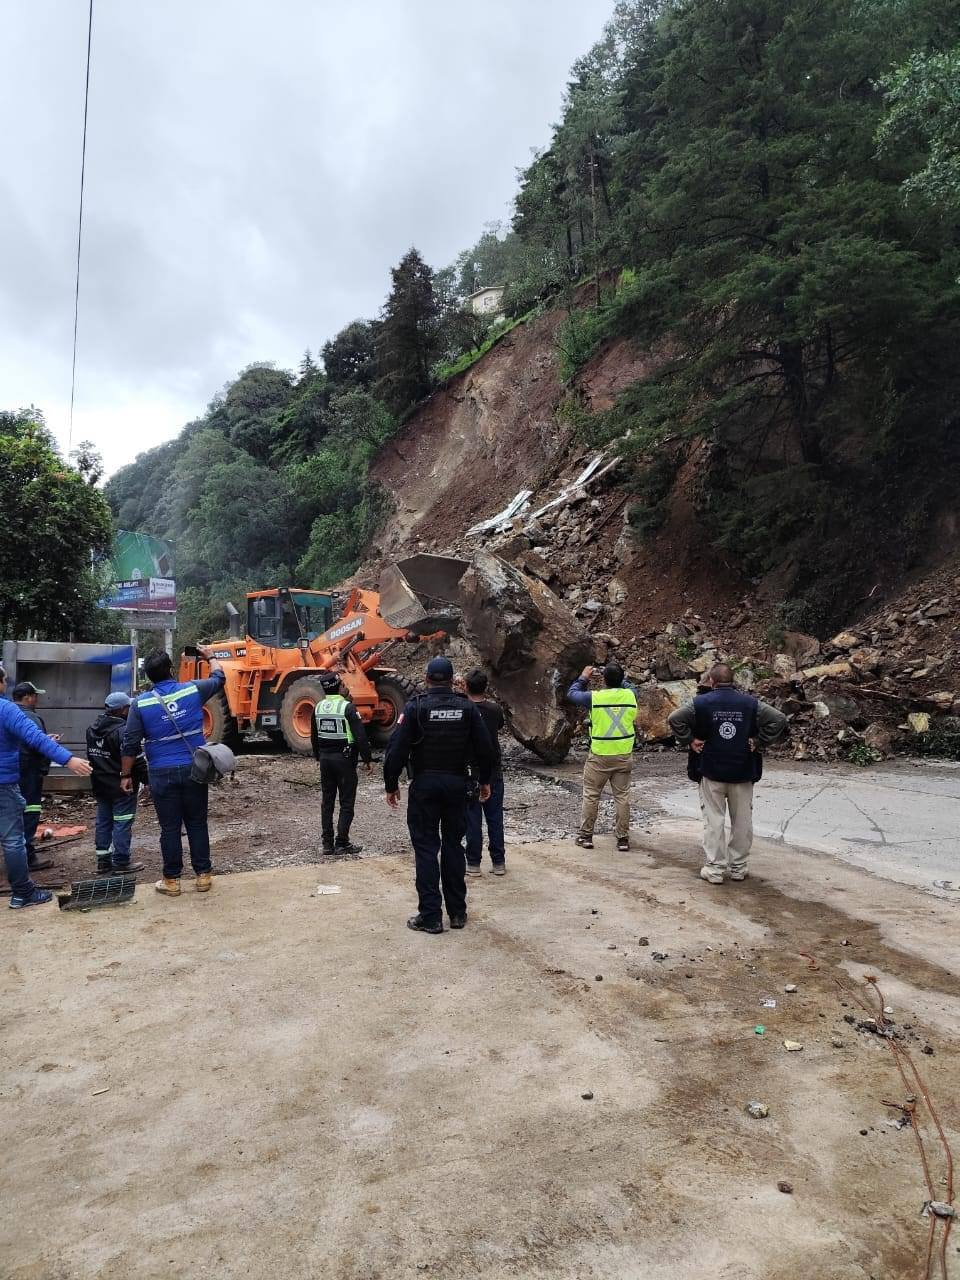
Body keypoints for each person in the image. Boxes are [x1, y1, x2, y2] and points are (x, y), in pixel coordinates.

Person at [383, 656, 493, 934]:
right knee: (454, 846)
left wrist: (391, 784)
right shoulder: (467, 708)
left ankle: (431, 916)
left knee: (426, 850)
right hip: (458, 785)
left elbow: (396, 750)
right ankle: (457, 913)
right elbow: (485, 748)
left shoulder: (416, 708)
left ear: (427, 677)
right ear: (452, 678)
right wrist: (485, 780)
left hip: (425, 786)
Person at [668, 662, 787, 883]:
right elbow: (779, 719)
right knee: (742, 822)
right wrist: (759, 741)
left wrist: (690, 740)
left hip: (711, 770)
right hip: (743, 770)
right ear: (734, 681)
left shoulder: (700, 703)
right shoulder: (751, 704)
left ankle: (714, 870)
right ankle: (738, 868)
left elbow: (675, 718)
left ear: (711, 681)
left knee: (714, 821)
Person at [121, 648, 226, 897]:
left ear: (149, 677)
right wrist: (210, 657)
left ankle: (172, 881)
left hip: (161, 773)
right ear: (171, 669)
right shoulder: (193, 690)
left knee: (169, 828)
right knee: (197, 823)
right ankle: (203, 876)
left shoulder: (140, 704)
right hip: (194, 769)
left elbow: (130, 743)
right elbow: (220, 679)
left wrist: (125, 775)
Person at [0, 665, 92, 909]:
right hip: (3, 784)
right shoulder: (6, 710)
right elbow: (36, 738)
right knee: (13, 840)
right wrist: (69, 759)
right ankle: (22, 893)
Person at [566, 663, 638, 852]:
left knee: (591, 795)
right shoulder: (631, 695)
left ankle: (586, 836)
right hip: (623, 753)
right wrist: (618, 676)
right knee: (622, 797)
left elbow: (572, 694)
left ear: (604, 680)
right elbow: (629, 686)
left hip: (599, 755)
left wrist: (583, 677)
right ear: (621, 679)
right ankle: (623, 839)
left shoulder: (595, 698)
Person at [310, 671, 372, 855]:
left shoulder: (318, 707)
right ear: (339, 686)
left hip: (325, 760)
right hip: (344, 760)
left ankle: (327, 844)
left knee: (327, 801)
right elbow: (360, 736)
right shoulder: (348, 707)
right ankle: (342, 842)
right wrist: (367, 759)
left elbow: (314, 736)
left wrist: (317, 756)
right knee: (346, 802)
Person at [87, 692, 146, 875]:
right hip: (122, 787)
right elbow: (135, 760)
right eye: (128, 707)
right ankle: (121, 861)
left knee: (103, 822)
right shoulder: (123, 732)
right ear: (121, 710)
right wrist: (149, 781)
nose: (130, 710)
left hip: (101, 785)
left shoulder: (91, 729)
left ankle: (103, 862)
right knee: (122, 822)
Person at [463, 668, 507, 877]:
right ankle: (498, 862)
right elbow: (499, 726)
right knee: (495, 818)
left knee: (472, 819)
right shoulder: (494, 709)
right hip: (493, 771)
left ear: (465, 686)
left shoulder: (463, 709)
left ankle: (473, 863)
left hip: (470, 771)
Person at [12, 681, 56, 872]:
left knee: (12, 816)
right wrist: (48, 743)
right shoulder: (31, 718)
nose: (37, 699)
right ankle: (28, 858)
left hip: (10, 775)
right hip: (29, 775)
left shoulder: (7, 714)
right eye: (35, 695)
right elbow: (38, 748)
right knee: (30, 812)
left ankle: (17, 856)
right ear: (28, 697)